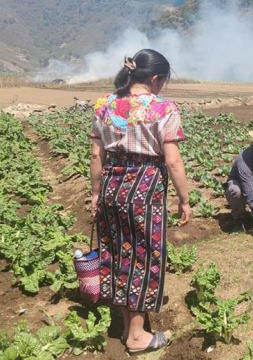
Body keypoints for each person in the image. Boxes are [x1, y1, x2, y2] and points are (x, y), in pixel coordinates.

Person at [89, 49, 192, 354]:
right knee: (143, 258)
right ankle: (137, 337)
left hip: (110, 185)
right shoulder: (163, 108)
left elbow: (97, 155)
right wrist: (184, 199)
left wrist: (96, 193)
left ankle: (125, 326)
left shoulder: (105, 104)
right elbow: (172, 161)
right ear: (156, 79)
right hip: (143, 190)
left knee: (116, 252)